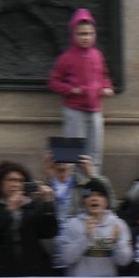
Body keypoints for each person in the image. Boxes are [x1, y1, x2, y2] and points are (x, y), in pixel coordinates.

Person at [46, 9, 114, 163]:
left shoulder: (98, 55)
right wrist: (70, 90)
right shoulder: (66, 58)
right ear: (73, 34)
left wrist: (107, 87)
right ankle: (72, 184)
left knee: (95, 151)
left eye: (89, 34)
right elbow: (53, 82)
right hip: (75, 110)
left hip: (95, 110)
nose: (86, 38)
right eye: (81, 34)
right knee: (73, 152)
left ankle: (93, 183)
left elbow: (104, 74)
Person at [0, 161, 60, 277]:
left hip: (32, 271)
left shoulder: (32, 206)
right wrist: (8, 210)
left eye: (20, 181)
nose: (16, 184)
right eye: (11, 180)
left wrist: (48, 203)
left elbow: (49, 231)